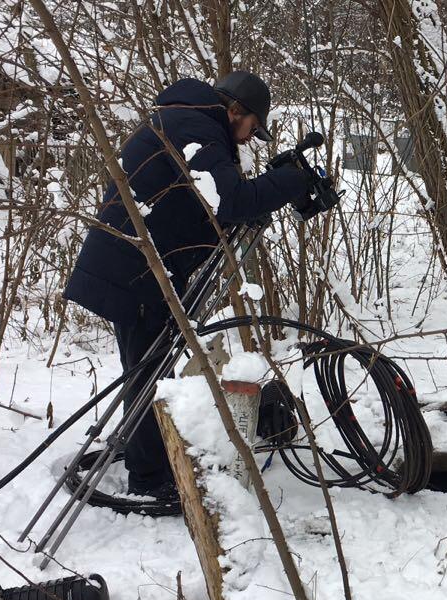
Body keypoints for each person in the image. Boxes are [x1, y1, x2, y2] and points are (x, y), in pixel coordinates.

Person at [64, 71, 314, 502]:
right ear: (236, 110)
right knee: (150, 373)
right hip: (134, 271)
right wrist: (291, 182)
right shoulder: (198, 127)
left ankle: (147, 451)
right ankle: (148, 477)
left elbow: (203, 201)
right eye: (253, 128)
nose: (248, 138)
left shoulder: (188, 119)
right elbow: (230, 199)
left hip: (135, 266)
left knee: (146, 366)